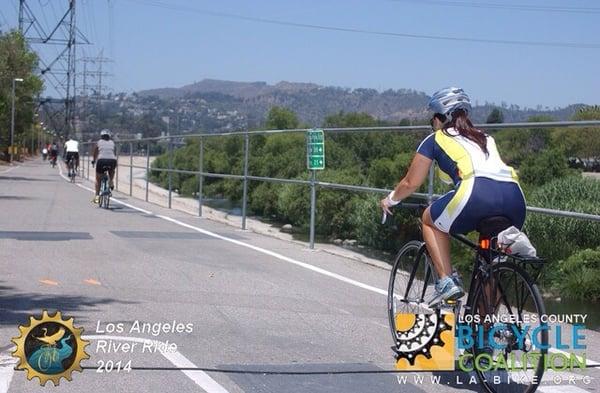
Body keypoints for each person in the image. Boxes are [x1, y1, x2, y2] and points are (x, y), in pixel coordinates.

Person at [380, 87, 526, 306]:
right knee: (492, 264)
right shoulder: (486, 138)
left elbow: (411, 183)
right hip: (515, 198)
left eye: (433, 119)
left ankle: (447, 282)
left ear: (441, 117)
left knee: (429, 220)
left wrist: (390, 199)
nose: (432, 124)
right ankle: (485, 330)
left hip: (475, 194)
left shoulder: (435, 139)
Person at [91, 129, 117, 204]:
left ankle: (96, 198)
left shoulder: (98, 142)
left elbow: (95, 152)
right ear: (109, 136)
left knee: (98, 180)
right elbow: (113, 153)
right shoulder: (112, 142)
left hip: (101, 160)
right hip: (112, 160)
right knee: (112, 170)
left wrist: (93, 160)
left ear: (101, 136)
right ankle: (111, 181)